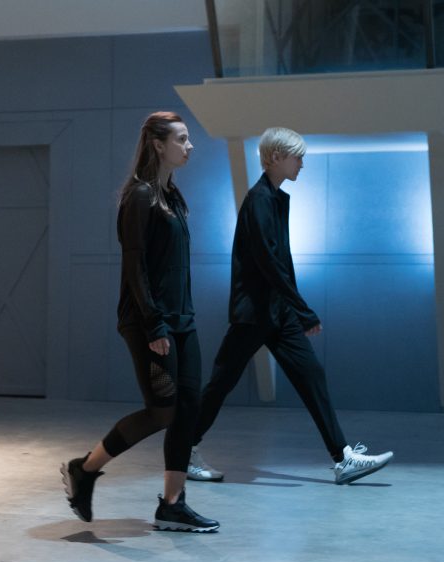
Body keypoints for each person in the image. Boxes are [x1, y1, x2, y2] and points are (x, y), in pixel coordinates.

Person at [187, 127, 393, 485]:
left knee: (311, 375)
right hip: (254, 314)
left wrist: (293, 308)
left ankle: (343, 458)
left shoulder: (274, 198)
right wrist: (303, 309)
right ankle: (182, 451)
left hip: (276, 312)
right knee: (221, 383)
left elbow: (281, 261)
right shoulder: (259, 200)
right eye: (298, 157)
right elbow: (269, 263)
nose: (302, 164)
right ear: (276, 157)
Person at [61, 112, 219, 532]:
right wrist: (154, 325)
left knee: (188, 409)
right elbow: (135, 267)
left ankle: (173, 504)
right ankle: (84, 469)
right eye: (182, 139)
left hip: (182, 321)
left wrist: (177, 320)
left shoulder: (173, 196)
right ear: (158, 144)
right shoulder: (140, 196)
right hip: (149, 323)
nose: (190, 146)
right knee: (161, 412)